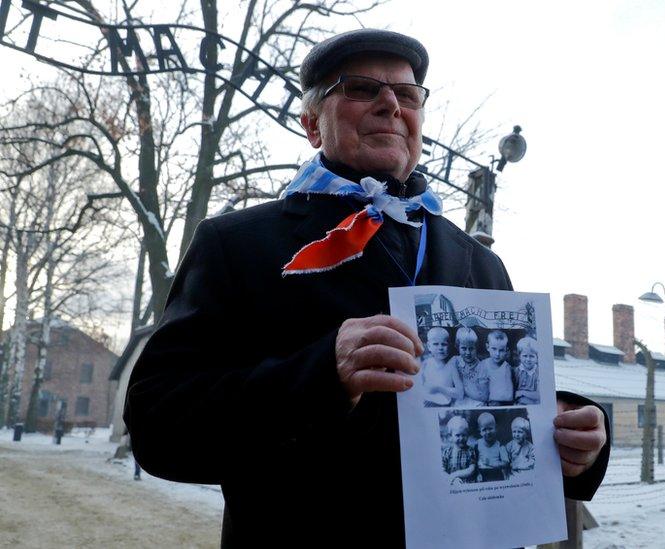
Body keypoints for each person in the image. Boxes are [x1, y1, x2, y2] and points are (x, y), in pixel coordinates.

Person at [124, 28, 609, 547]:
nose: (389, 104)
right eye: (359, 88)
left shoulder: (482, 264)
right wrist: (320, 376)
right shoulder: (237, 244)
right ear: (312, 124)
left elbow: (500, 407)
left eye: (406, 94)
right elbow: (159, 427)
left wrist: (576, 436)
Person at [420, 327, 463, 406]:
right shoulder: (425, 364)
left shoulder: (451, 367)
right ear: (429, 346)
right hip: (426, 403)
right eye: (436, 344)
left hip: (443, 405)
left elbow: (460, 393)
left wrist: (439, 388)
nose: (440, 348)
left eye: (444, 344)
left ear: (449, 346)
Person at [449, 327, 488, 406]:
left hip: (475, 402)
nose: (468, 352)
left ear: (476, 348)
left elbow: (483, 395)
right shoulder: (455, 361)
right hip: (458, 401)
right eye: (464, 348)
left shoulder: (481, 366)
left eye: (471, 348)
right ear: (458, 347)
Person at [482, 330, 515, 406]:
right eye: (494, 349)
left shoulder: (506, 368)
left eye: (501, 350)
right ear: (487, 347)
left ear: (506, 350)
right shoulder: (483, 364)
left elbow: (509, 396)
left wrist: (491, 398)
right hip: (484, 401)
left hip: (499, 402)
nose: (497, 354)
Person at [442, 415, 477, 484]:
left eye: (464, 435)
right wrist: (451, 479)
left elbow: (471, 469)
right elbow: (442, 470)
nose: (461, 438)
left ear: (468, 435)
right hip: (451, 483)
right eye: (457, 435)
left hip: (467, 483)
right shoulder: (447, 452)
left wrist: (454, 475)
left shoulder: (470, 451)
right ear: (450, 436)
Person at [475, 412, 510, 482]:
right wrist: (477, 473)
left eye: (490, 428)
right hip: (481, 473)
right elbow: (474, 460)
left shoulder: (500, 445)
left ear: (495, 428)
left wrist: (492, 463)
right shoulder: (478, 444)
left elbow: (506, 463)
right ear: (480, 432)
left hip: (496, 474)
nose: (488, 432)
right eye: (484, 430)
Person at [514, 336, 541, 405]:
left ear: (537, 357)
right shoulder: (516, 371)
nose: (528, 359)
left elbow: (539, 395)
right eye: (525, 356)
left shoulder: (538, 373)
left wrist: (522, 393)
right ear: (519, 356)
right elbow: (512, 393)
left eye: (532, 356)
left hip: (534, 406)